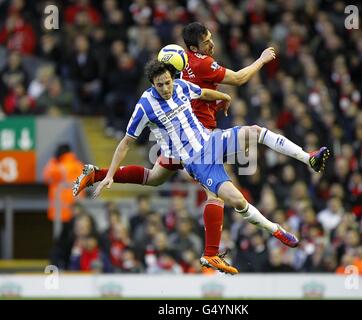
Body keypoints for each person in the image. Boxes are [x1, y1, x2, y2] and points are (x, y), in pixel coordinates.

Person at [73, 22, 330, 274]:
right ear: (152, 83)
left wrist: (224, 97)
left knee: (252, 133)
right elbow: (126, 142)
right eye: (159, 84)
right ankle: (258, 236)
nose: (165, 88)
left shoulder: (181, 84)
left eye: (167, 82)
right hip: (194, 158)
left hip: (207, 140)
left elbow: (202, 93)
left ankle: (308, 159)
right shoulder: (146, 105)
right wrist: (110, 177)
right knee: (230, 198)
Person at [43, 143, 84, 224]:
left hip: (62, 210)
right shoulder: (79, 166)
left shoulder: (59, 167)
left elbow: (46, 176)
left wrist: (53, 160)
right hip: (77, 208)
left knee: (62, 234)